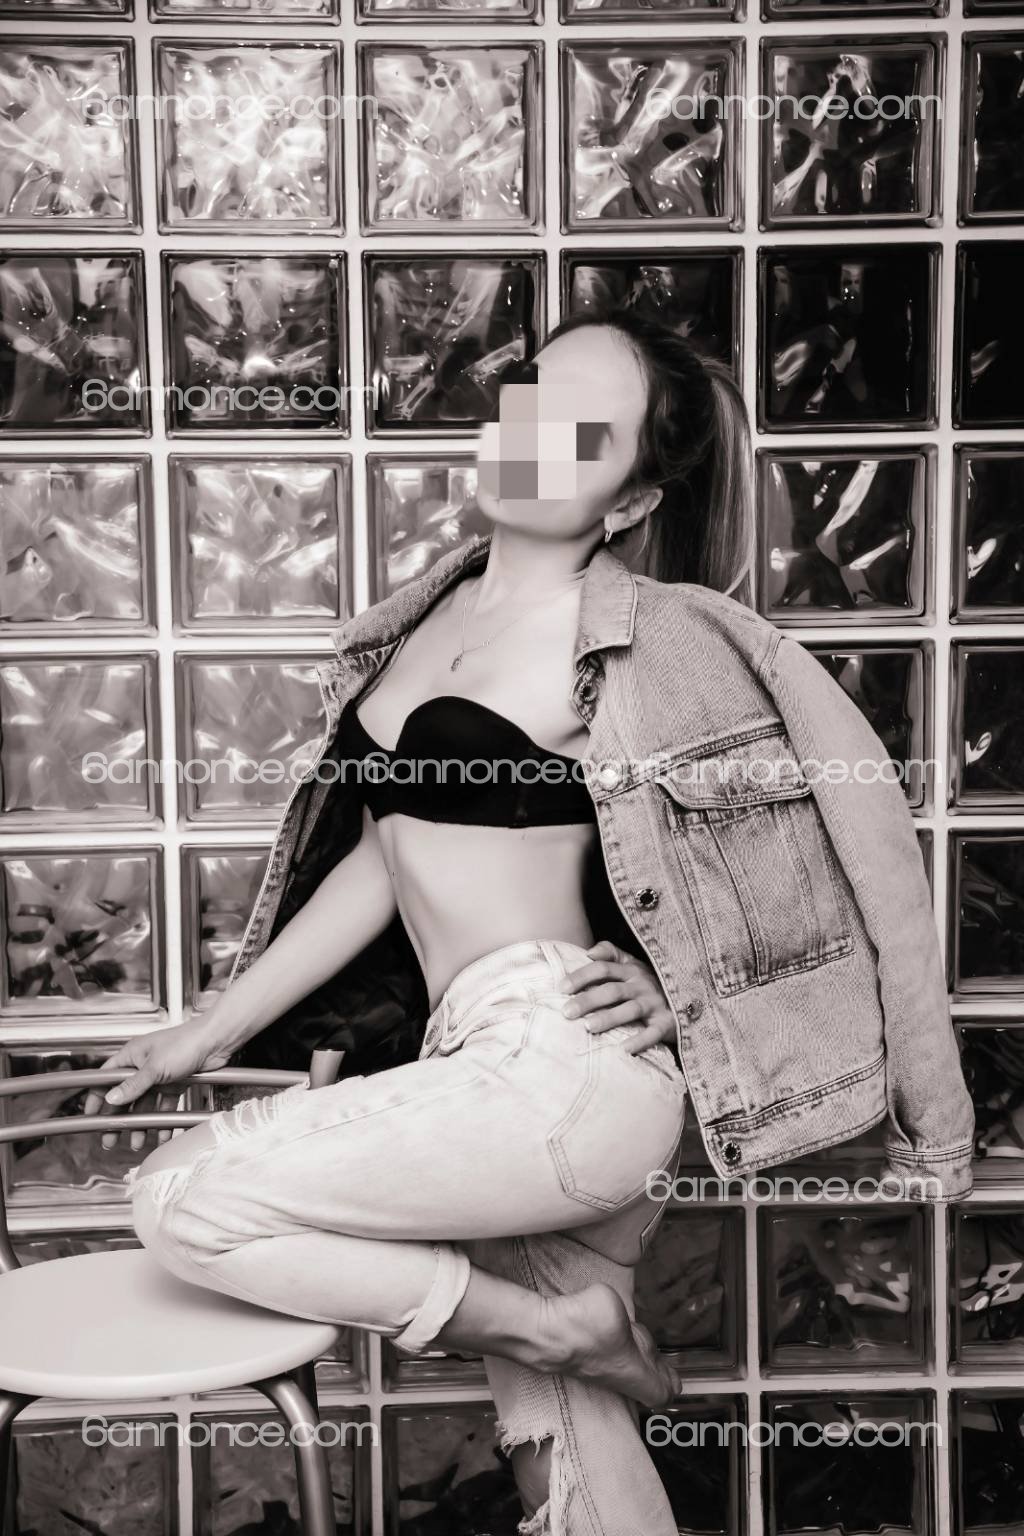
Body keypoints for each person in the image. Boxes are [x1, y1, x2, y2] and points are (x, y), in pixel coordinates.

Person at [85, 308, 974, 1536]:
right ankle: (567, 1346)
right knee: (569, 1456)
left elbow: (831, 844)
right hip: (479, 1063)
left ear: (629, 500)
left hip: (564, 1062)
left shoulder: (661, 638)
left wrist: (688, 993)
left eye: (584, 430)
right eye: (534, 394)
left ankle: (562, 1327)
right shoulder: (416, 624)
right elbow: (386, 861)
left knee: (185, 1200)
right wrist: (206, 1032)